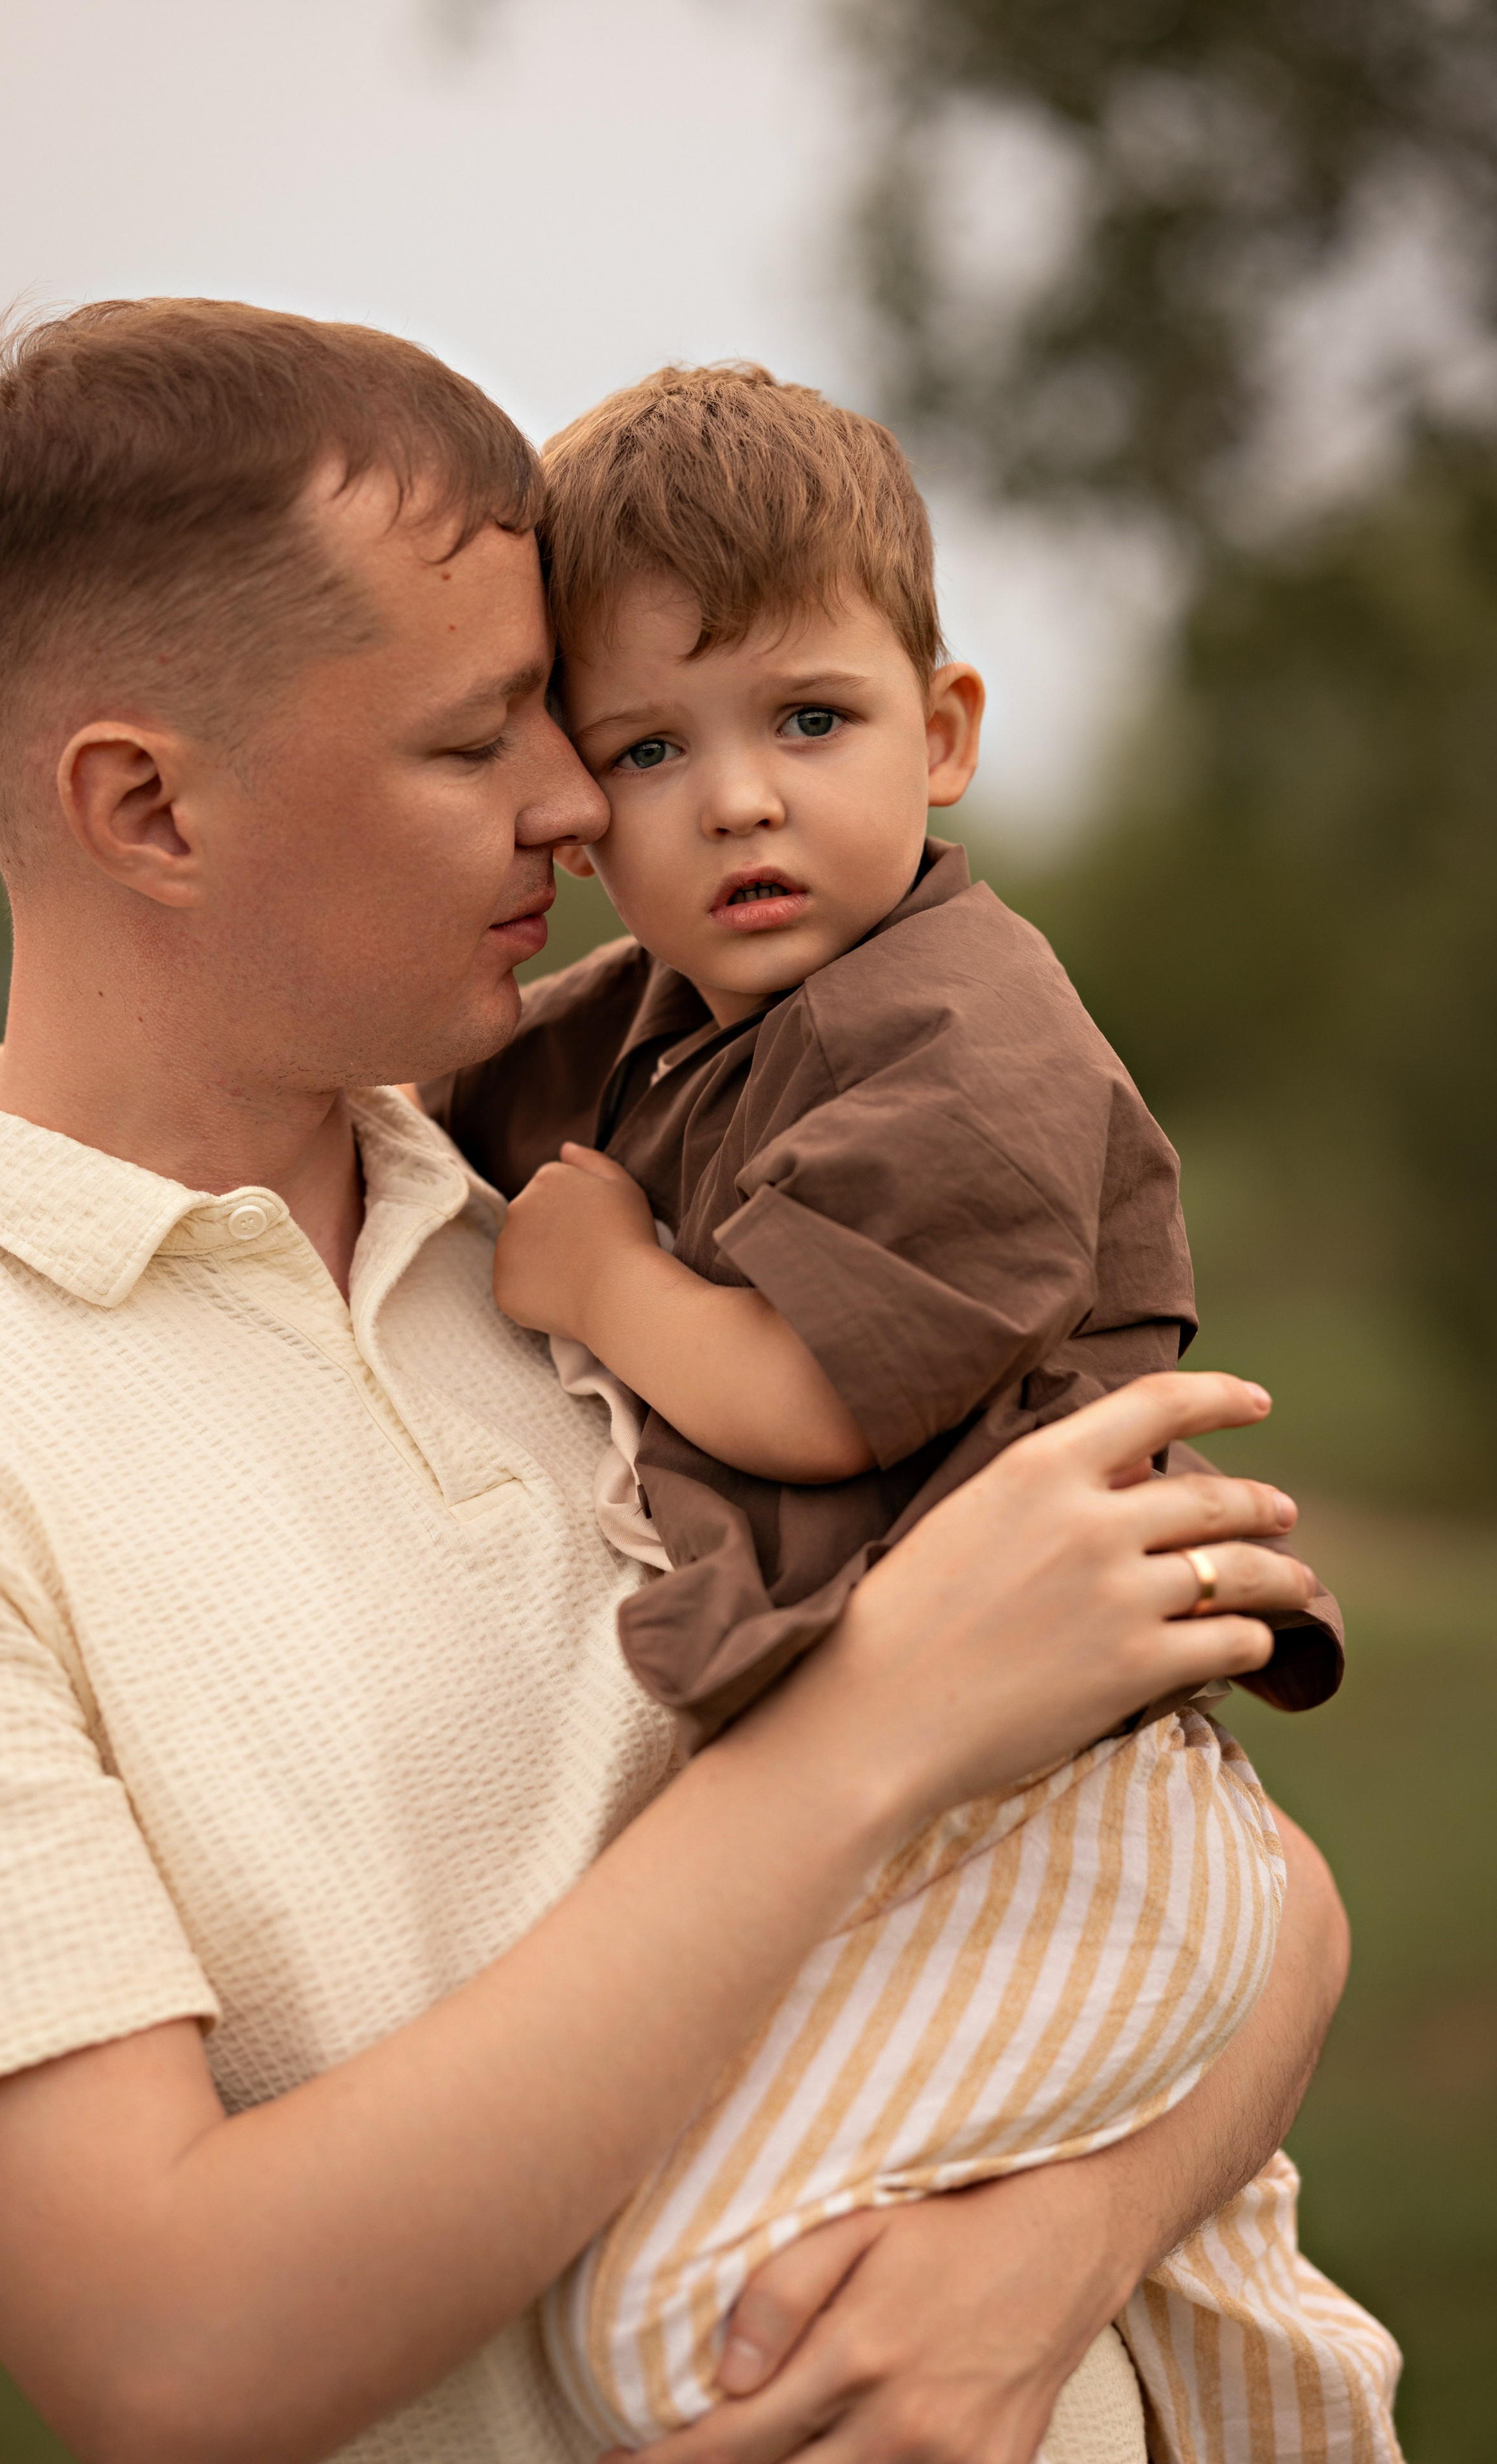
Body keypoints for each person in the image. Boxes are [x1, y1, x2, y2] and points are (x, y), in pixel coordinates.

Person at [0, 297, 1342, 2464]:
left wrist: (1072, 2237)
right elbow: (168, 2355)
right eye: (486, 746)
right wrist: (878, 1724)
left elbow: (1259, 1888)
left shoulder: (603, 1176)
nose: (581, 804)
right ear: (147, 809)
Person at [405, 364, 1402, 2459]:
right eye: (652, 750)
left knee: (699, 2324)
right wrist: (60, 1099)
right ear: (585, 816)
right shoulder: (668, 1018)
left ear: (940, 732)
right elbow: (375, 1112)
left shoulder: (979, 1046)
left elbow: (810, 1399)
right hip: (938, 1802)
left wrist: (607, 1278)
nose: (739, 801)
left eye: (809, 722)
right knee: (1219, 2339)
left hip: (1072, 1807)